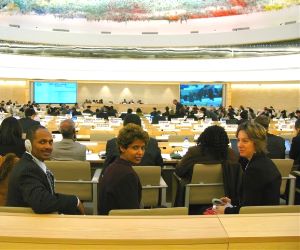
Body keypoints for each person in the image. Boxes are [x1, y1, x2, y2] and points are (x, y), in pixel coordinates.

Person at [6, 125, 85, 214]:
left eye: (50, 142)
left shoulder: (34, 163)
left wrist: (74, 200)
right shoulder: (27, 170)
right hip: (25, 223)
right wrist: (75, 201)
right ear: (28, 145)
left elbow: (46, 195)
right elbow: (41, 202)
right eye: (42, 142)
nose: (48, 147)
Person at [215, 121, 282, 214]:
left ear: (257, 143)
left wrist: (225, 210)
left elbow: (248, 210)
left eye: (245, 141)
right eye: (238, 140)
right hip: (266, 216)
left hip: (260, 221)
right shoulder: (262, 161)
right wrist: (232, 202)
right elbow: (254, 199)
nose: (239, 145)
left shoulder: (255, 169)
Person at [175, 125, 241, 206]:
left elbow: (179, 171)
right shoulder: (231, 154)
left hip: (193, 197)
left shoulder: (194, 152)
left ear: (204, 137)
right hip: (224, 196)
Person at [98, 124, 149, 215]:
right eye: (135, 147)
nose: (140, 152)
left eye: (142, 148)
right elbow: (131, 213)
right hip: (118, 225)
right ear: (122, 148)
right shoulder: (128, 175)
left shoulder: (113, 166)